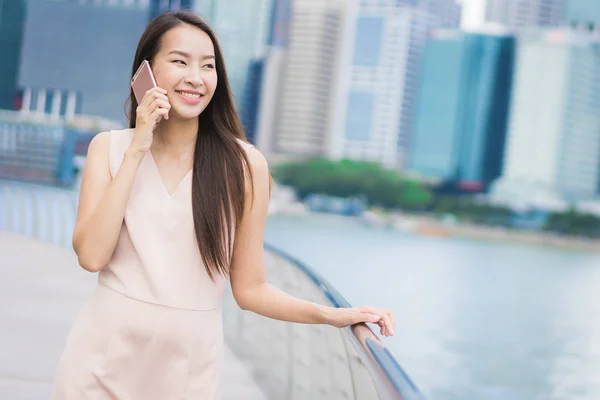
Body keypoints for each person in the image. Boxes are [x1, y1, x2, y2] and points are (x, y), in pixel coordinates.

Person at [51, 10, 395, 399]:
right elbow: (92, 256)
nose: (196, 77)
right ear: (144, 72)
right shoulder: (109, 149)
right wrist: (137, 149)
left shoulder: (244, 167)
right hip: (100, 360)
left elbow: (251, 289)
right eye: (180, 61)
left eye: (208, 65)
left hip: (186, 372)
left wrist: (334, 315)